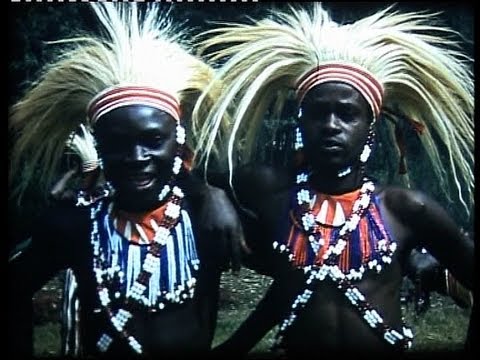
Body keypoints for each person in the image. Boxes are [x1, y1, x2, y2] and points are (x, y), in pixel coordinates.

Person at [192, 3, 475, 356]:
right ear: (301, 121)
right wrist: (212, 196)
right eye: (317, 113)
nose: (330, 125)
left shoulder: (403, 209)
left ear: (370, 127)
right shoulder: (271, 191)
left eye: (346, 114)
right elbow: (190, 179)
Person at [8, 3, 245, 357]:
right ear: (99, 145)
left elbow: (301, 270)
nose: (135, 159)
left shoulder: (207, 220)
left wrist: (211, 193)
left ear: (178, 141)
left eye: (152, 141)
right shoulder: (73, 225)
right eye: (118, 143)